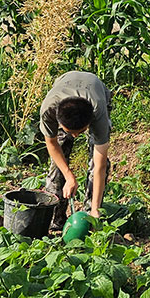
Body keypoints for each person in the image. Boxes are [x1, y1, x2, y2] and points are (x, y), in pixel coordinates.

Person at [39, 71, 112, 230]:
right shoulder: (49, 109)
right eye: (71, 131)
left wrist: (95, 210)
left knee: (97, 162)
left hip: (96, 89)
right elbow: (51, 144)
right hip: (64, 83)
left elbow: (100, 166)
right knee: (59, 155)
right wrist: (68, 175)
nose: (75, 136)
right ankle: (56, 219)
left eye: (80, 131)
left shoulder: (98, 112)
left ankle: (89, 218)